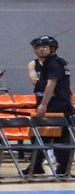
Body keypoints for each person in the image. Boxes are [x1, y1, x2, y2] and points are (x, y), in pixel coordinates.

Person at [31, 36, 71, 176]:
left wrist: (43, 104)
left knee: (60, 139)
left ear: (52, 48)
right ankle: (36, 166)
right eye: (37, 47)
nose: (40, 49)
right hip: (56, 105)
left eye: (44, 46)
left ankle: (63, 168)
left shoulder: (53, 64)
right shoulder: (52, 63)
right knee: (42, 136)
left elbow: (51, 84)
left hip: (55, 106)